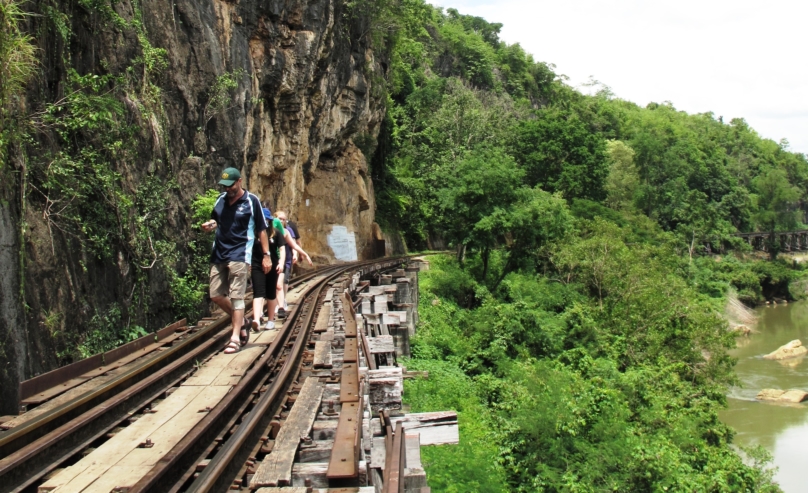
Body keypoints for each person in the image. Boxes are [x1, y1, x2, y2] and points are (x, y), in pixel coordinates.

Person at [201, 167, 271, 354]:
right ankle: (243, 322)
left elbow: (261, 230)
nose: (227, 189)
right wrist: (210, 225)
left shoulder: (251, 201)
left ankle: (235, 337)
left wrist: (266, 255)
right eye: (224, 186)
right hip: (219, 253)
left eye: (230, 185)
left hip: (240, 254)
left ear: (239, 181)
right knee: (215, 294)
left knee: (236, 296)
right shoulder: (220, 200)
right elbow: (217, 220)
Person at [250, 206, 285, 331]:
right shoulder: (253, 233)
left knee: (270, 293)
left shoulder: (275, 233)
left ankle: (270, 320)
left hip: (273, 266)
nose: (265, 221)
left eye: (267, 219)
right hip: (256, 265)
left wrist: (281, 263)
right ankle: (256, 319)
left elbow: (282, 248)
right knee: (258, 292)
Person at [274, 210, 312, 317]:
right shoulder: (271, 231)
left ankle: (281, 302)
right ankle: (275, 306)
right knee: (275, 284)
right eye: (279, 219)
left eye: (283, 219)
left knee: (283, 282)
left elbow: (294, 244)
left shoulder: (288, 231)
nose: (281, 221)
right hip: (274, 260)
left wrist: (297, 254)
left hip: (286, 260)